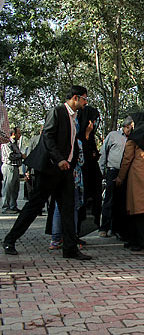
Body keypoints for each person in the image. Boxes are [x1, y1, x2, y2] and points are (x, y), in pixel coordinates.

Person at [3, 85, 91, 260]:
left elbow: (72, 143)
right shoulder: (57, 112)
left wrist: (70, 163)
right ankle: (9, 240)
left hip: (66, 171)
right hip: (50, 170)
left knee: (68, 208)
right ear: (75, 98)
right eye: (84, 99)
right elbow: (48, 137)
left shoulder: (75, 118)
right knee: (34, 206)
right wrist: (59, 159)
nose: (85, 103)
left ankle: (70, 249)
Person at [115, 112, 144, 251]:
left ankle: (138, 241)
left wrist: (120, 177)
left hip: (137, 178)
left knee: (136, 210)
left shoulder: (134, 139)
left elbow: (127, 159)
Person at [98, 116, 133, 237]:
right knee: (109, 199)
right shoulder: (113, 136)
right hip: (113, 171)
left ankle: (117, 228)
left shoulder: (133, 139)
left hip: (126, 172)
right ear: (126, 126)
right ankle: (104, 227)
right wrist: (101, 170)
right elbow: (103, 152)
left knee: (122, 201)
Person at [77, 105, 102, 228]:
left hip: (91, 172)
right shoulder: (78, 133)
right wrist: (86, 134)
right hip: (81, 174)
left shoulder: (91, 136)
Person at [2, 127, 25, 213]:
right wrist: (21, 156)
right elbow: (10, 156)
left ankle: (13, 206)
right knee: (8, 187)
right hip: (9, 167)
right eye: (18, 133)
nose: (20, 135)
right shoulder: (7, 143)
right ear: (13, 134)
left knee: (15, 188)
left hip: (15, 167)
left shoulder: (15, 143)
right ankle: (5, 207)